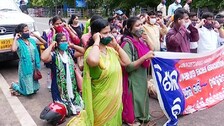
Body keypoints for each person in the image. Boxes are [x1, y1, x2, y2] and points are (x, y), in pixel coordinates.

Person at [82, 19, 131, 125]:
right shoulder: (91, 52)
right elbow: (93, 61)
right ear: (96, 35)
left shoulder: (111, 51)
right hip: (100, 102)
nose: (110, 35)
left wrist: (116, 46)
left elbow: (127, 62)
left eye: (110, 32)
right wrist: (96, 42)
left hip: (115, 101)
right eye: (105, 33)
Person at [121, 17, 155, 125]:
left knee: (142, 97)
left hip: (142, 75)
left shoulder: (140, 41)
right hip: (133, 77)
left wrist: (147, 39)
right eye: (137, 25)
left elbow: (152, 50)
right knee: (135, 99)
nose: (141, 28)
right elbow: (128, 67)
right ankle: (135, 119)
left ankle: (143, 117)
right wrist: (144, 57)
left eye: (141, 25)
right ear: (130, 28)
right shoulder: (127, 44)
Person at [41, 33, 85, 116]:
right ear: (57, 43)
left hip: (72, 85)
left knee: (78, 105)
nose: (65, 42)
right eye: (62, 41)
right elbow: (43, 58)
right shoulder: (53, 55)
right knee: (62, 110)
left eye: (66, 40)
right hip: (58, 87)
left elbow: (84, 51)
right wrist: (51, 46)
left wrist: (73, 46)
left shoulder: (69, 53)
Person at [10, 23, 46, 96]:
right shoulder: (18, 42)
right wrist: (15, 38)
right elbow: (13, 49)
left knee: (34, 89)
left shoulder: (31, 40)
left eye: (28, 30)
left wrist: (36, 35)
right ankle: (15, 86)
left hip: (34, 65)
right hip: (25, 66)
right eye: (25, 31)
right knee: (27, 92)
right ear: (20, 33)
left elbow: (44, 42)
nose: (28, 32)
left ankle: (24, 86)